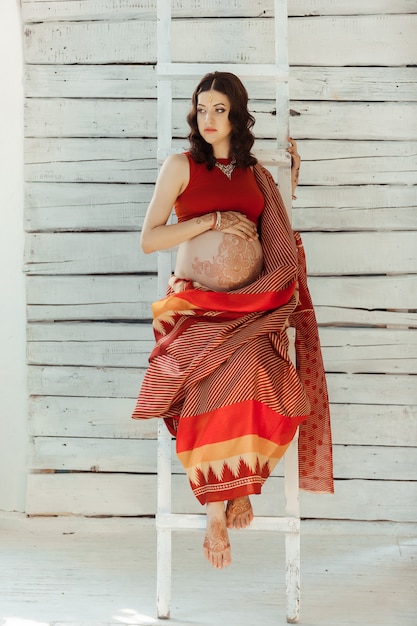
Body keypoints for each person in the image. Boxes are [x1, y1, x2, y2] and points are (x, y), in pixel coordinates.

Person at [132, 72, 333, 569]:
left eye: (219, 109)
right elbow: (150, 239)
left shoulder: (254, 172)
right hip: (196, 309)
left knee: (264, 379)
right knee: (211, 383)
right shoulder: (180, 166)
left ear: (237, 115)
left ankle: (241, 483)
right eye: (202, 109)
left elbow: (276, 236)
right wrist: (211, 221)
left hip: (251, 308)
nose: (208, 118)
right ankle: (217, 511)